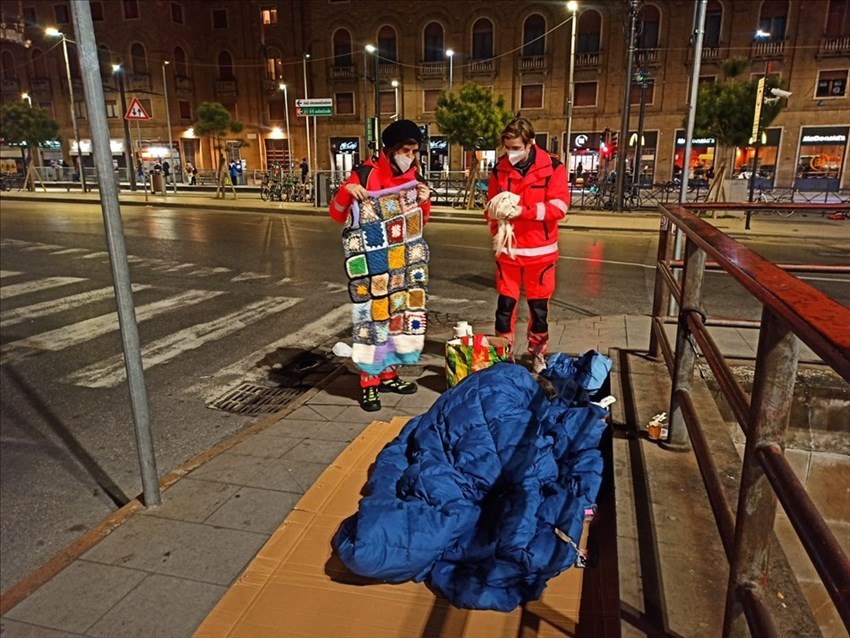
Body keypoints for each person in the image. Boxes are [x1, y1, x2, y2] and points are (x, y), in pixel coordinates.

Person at [328, 119, 432, 411]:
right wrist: (347, 191)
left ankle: (388, 373)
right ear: (389, 149)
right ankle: (369, 382)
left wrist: (424, 201)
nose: (409, 156)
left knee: (398, 318)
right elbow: (336, 215)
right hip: (372, 266)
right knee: (371, 321)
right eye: (405, 150)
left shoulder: (415, 178)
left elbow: (419, 223)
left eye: (413, 151)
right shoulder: (364, 174)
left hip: (401, 265)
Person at [484, 117, 569, 373]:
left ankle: (538, 353)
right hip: (508, 252)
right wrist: (497, 232)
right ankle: (503, 353)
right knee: (505, 308)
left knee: (539, 310)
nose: (511, 153)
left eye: (516, 147)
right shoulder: (499, 170)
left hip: (540, 254)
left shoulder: (553, 167)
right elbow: (491, 207)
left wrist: (522, 211)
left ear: (530, 143)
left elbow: (559, 207)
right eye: (508, 148)